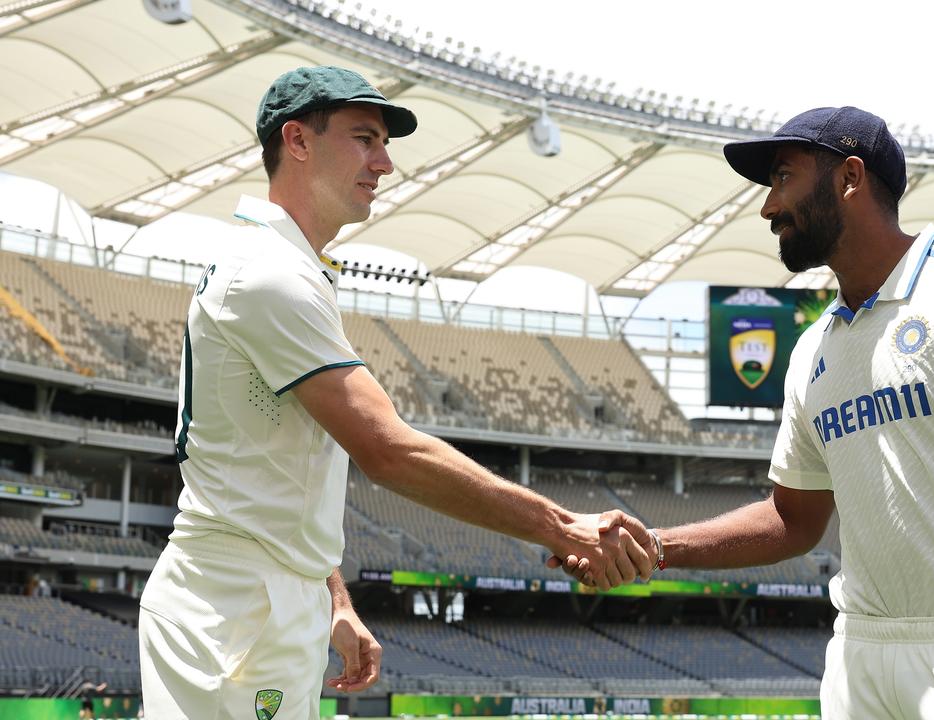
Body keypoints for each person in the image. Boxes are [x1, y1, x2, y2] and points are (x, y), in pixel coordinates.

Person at [554, 107, 934, 719]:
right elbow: (793, 519)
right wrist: (655, 546)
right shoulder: (812, 348)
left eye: (783, 178)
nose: (768, 207)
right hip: (861, 655)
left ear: (850, 177)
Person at [138, 66, 653, 720]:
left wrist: (336, 601)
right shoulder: (271, 276)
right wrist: (564, 526)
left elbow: (285, 471)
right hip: (236, 609)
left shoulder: (286, 269)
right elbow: (386, 450)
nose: (384, 163)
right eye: (364, 139)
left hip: (262, 600)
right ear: (297, 140)